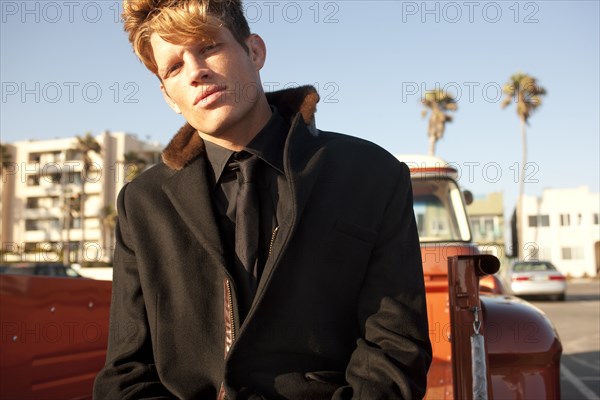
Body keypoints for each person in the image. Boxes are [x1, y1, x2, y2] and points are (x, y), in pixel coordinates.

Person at [93, 0, 432, 399]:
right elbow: (126, 370)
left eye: (208, 47)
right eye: (174, 67)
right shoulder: (143, 203)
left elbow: (394, 350)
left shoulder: (370, 174)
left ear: (255, 51)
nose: (196, 72)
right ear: (168, 95)